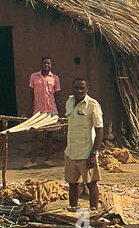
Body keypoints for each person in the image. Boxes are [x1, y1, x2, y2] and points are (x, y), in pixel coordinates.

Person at [64, 76, 103, 212]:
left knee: (91, 183)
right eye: (76, 88)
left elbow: (99, 131)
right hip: (71, 151)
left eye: (82, 88)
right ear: (73, 88)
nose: (79, 91)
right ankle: (73, 209)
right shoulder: (69, 102)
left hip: (86, 152)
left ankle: (93, 211)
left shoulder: (92, 105)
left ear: (87, 89)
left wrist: (93, 153)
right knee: (73, 184)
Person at [28, 56, 62, 167]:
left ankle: (48, 159)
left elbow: (57, 96)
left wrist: (59, 111)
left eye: (49, 63)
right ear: (41, 64)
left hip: (51, 110)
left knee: (49, 136)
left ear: (51, 66)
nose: (46, 65)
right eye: (45, 63)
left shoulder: (55, 78)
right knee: (36, 136)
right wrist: (30, 110)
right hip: (38, 112)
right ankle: (32, 161)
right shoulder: (34, 77)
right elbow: (30, 95)